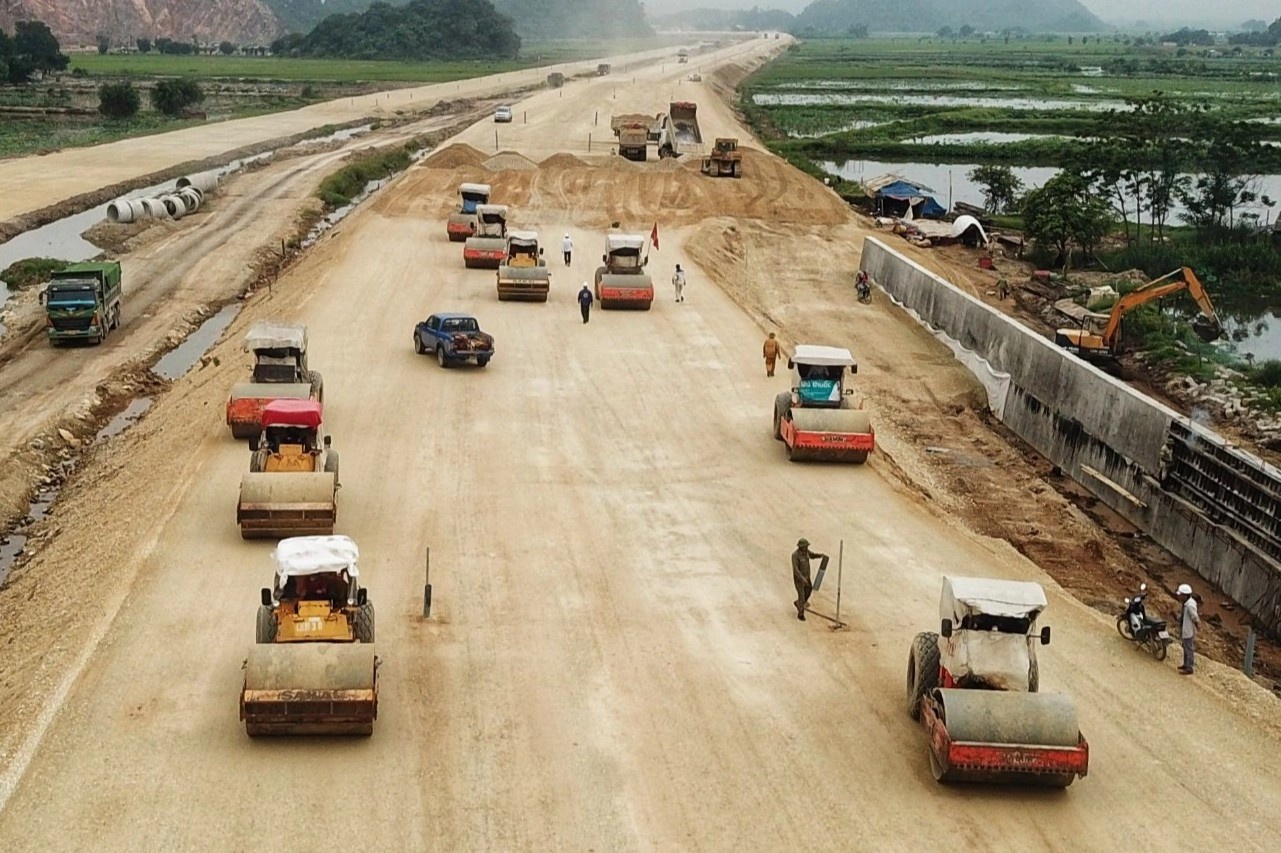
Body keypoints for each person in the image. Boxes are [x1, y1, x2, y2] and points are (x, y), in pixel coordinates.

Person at [791, 538, 827, 620]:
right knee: (802, 596)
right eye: (805, 546)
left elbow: (812, 555)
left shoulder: (806, 552)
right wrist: (802, 578)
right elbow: (796, 570)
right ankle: (800, 614)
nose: (806, 548)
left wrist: (820, 555)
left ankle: (799, 603)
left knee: (808, 591)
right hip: (799, 580)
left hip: (807, 577)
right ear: (801, 547)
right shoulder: (795, 555)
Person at [1177, 583, 1200, 675]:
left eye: (1180, 595)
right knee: (1185, 647)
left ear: (1185, 595)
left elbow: (1195, 617)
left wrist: (1198, 626)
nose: (1179, 596)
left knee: (1188, 648)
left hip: (1188, 630)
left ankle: (1189, 667)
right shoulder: (1186, 603)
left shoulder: (1190, 605)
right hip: (1185, 629)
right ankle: (1186, 664)